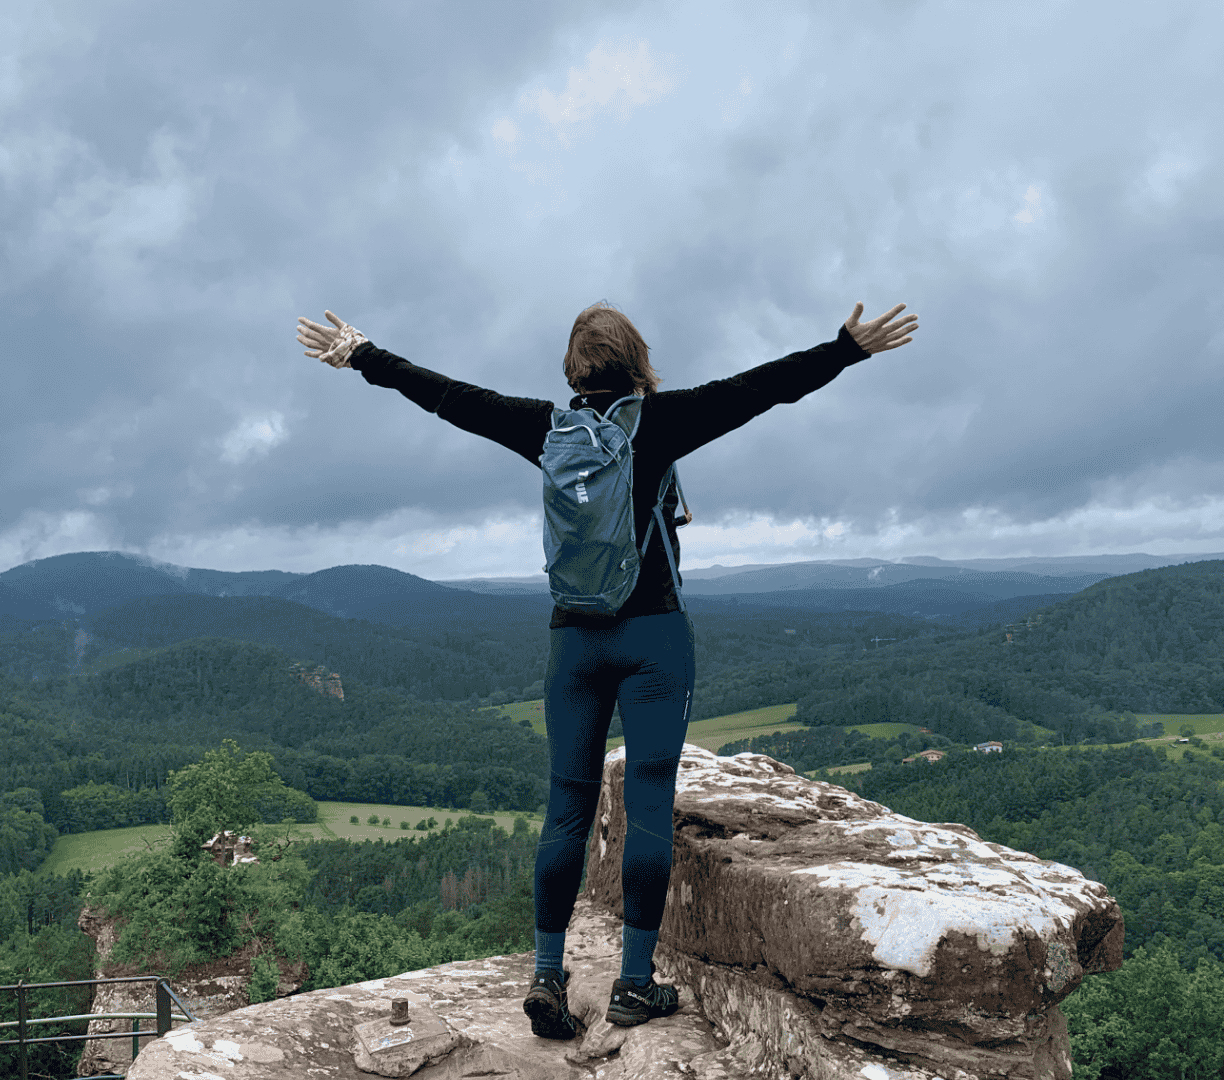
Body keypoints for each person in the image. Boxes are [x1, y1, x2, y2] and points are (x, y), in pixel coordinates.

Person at [296, 299, 918, 1037]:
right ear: (638, 363)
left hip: (575, 643)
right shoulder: (664, 420)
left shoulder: (544, 427)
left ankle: (548, 976)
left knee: (566, 808)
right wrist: (845, 348)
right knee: (649, 804)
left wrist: (362, 354)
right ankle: (633, 984)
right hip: (655, 638)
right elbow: (762, 388)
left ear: (573, 369)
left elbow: (446, 397)